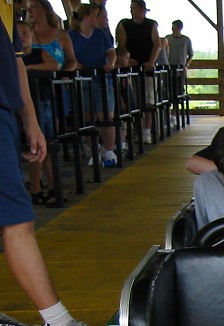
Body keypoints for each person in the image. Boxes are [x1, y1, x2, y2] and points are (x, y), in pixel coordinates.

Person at [0, 11, 91, 326]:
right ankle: (55, 325)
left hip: (6, 110)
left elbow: (16, 63)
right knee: (17, 218)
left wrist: (30, 121)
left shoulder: (6, 11)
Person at [69, 3, 117, 167]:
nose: (99, 19)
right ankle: (93, 149)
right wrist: (77, 65)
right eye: (96, 15)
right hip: (83, 79)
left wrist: (110, 62)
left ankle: (109, 151)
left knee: (107, 116)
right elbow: (69, 55)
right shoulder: (72, 35)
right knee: (88, 117)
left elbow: (111, 51)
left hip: (102, 78)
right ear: (87, 17)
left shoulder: (100, 34)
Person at [19, 20, 58, 206]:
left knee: (49, 148)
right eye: (18, 35)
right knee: (32, 150)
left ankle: (53, 187)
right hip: (24, 109)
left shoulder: (37, 53)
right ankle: (36, 188)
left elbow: (55, 65)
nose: (22, 38)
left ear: (32, 36)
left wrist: (29, 69)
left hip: (43, 104)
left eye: (25, 34)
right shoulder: (12, 56)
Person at [115, 0, 159, 143]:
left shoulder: (151, 24)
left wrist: (151, 62)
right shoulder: (125, 24)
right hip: (130, 67)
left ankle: (146, 131)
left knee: (148, 99)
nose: (131, 11)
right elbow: (122, 45)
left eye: (133, 8)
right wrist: (127, 60)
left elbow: (157, 44)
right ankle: (133, 130)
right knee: (131, 99)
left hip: (147, 65)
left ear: (141, 9)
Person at [27, 0, 77, 71]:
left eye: (33, 7)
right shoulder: (26, 34)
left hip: (57, 80)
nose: (29, 11)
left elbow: (72, 61)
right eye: (28, 8)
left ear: (45, 9)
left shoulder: (61, 35)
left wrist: (65, 75)